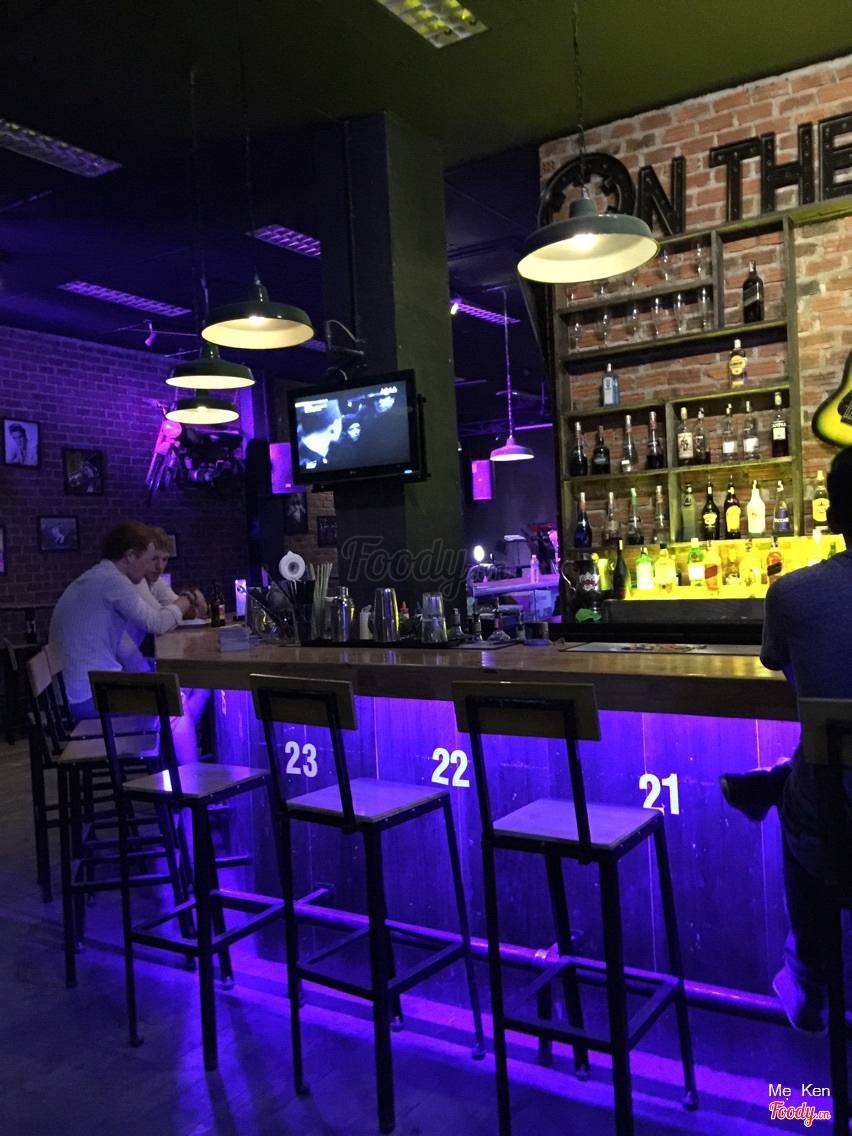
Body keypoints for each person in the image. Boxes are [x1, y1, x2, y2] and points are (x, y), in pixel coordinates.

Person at [720, 446, 852, 1036]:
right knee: (815, 779)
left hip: (831, 838)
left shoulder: (792, 595)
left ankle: (808, 979)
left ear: (832, 515)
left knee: (815, 793)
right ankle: (780, 782)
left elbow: (786, 669)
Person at [48, 520, 197, 724]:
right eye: (148, 559)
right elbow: (157, 623)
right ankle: (156, 744)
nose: (150, 567)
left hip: (74, 693)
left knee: (173, 692)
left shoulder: (100, 576)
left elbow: (120, 643)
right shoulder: (112, 580)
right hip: (87, 696)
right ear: (130, 556)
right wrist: (188, 598)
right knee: (171, 701)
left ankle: (161, 742)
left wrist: (146, 670)